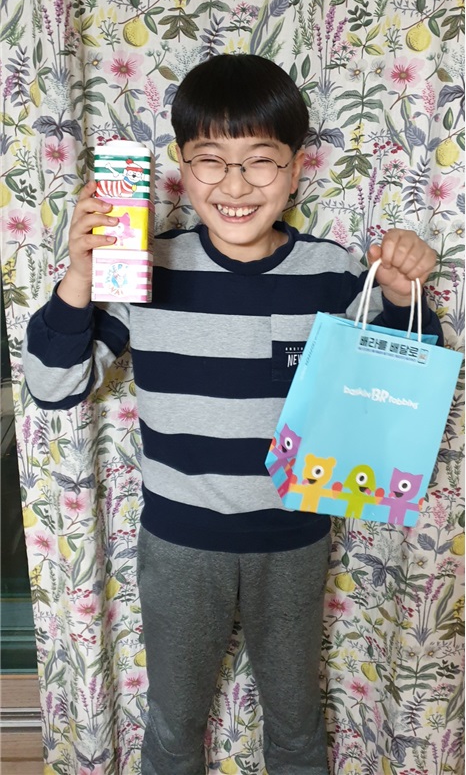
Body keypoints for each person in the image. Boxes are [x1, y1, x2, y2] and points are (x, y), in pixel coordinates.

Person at [23, 54, 442, 775]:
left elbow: (397, 386)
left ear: (296, 169)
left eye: (261, 161)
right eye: (211, 160)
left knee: (296, 722)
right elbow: (54, 386)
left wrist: (405, 295)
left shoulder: (336, 273)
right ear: (182, 168)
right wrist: (80, 276)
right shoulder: (141, 268)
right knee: (174, 724)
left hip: (295, 539)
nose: (237, 184)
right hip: (179, 545)